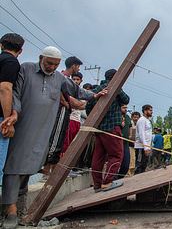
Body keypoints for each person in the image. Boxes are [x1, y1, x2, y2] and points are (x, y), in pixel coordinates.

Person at [0, 46, 106, 227]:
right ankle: (10, 211)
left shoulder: (58, 78)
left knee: (30, 166)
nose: (52, 67)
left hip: (43, 129)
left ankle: (20, 208)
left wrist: (94, 95)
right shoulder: (26, 68)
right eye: (49, 63)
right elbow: (15, 93)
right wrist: (15, 112)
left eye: (56, 65)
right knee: (14, 165)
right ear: (41, 58)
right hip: (23, 125)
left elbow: (75, 90)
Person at [86, 69, 129, 193]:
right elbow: (126, 99)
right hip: (112, 127)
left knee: (98, 157)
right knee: (116, 155)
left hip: (99, 130)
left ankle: (97, 184)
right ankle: (107, 182)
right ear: (115, 78)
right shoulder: (115, 87)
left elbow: (88, 109)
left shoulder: (95, 90)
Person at [42, 56, 85, 179]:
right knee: (55, 140)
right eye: (78, 66)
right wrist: (64, 101)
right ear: (73, 66)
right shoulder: (63, 76)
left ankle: (55, 170)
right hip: (61, 109)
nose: (78, 69)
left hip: (65, 110)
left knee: (61, 141)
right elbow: (57, 89)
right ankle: (47, 171)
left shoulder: (65, 78)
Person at [0, 33, 24, 184]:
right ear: (20, 51)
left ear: (2, 45)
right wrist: (8, 118)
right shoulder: (11, 62)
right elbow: (5, 88)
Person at [135, 105, 153, 174]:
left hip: (146, 147)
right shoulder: (141, 120)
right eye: (150, 110)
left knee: (144, 165)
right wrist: (145, 147)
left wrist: (149, 147)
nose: (152, 112)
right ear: (145, 111)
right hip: (141, 147)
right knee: (139, 165)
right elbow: (141, 134)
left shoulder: (147, 120)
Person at [114, 104, 131, 179]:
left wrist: (130, 135)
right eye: (123, 108)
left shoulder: (127, 117)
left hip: (125, 144)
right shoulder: (114, 116)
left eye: (126, 108)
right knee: (115, 163)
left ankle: (119, 178)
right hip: (116, 144)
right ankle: (113, 179)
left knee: (125, 165)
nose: (125, 109)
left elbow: (130, 126)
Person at [126, 111, 140, 176]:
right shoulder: (130, 124)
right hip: (130, 145)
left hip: (137, 146)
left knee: (134, 161)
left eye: (137, 117)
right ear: (132, 118)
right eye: (134, 117)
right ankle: (128, 175)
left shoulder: (139, 125)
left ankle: (131, 174)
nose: (136, 119)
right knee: (130, 161)